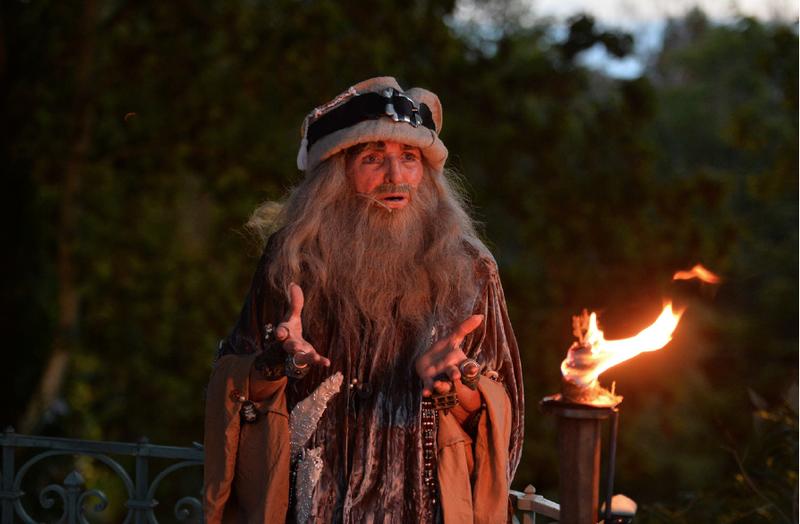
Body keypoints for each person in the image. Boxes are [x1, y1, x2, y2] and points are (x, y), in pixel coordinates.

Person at [204, 77, 524, 524]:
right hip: (310, 506)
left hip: (422, 507)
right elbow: (236, 385)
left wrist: (458, 386)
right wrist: (277, 363)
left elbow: (504, 414)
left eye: (409, 159)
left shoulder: (470, 268)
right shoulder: (291, 258)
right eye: (373, 159)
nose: (396, 177)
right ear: (336, 175)